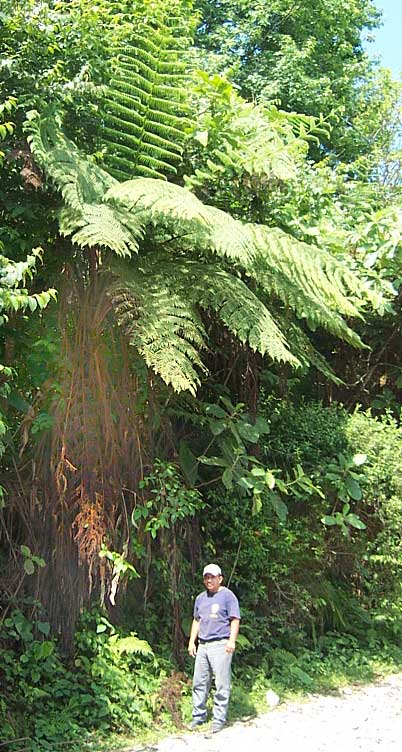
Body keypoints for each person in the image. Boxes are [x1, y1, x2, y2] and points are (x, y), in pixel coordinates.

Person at [187, 563, 240, 734]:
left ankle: (219, 719)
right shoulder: (200, 598)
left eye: (212, 577)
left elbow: (235, 619)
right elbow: (197, 620)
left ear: (220, 578)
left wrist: (232, 641)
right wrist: (191, 642)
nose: (209, 580)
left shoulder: (227, 596)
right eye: (206, 577)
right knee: (199, 682)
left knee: (221, 683)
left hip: (220, 644)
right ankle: (198, 716)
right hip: (203, 645)